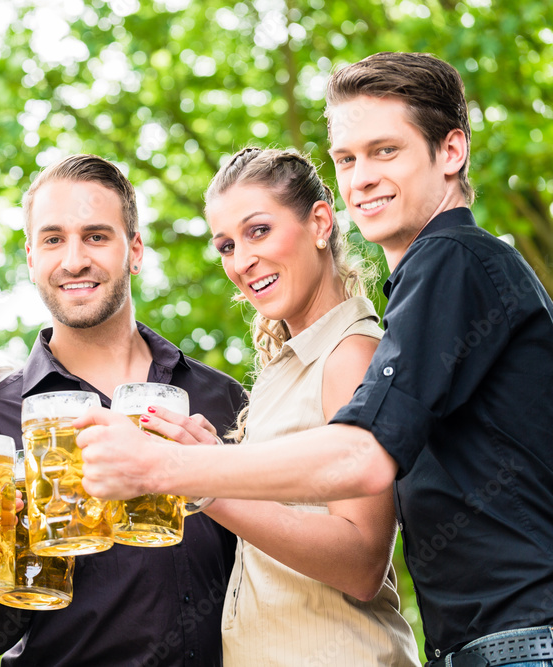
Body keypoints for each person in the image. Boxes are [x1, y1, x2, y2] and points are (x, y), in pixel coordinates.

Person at [76, 52, 553, 667]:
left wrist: (171, 469)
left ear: (451, 152)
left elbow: (363, 457)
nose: (361, 178)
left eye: (386, 151)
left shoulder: (451, 259)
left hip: (519, 642)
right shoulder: (429, 281)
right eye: (347, 159)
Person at [0, 154, 246, 667]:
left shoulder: (219, 399)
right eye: (52, 239)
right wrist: (14, 538)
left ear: (134, 251)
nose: (73, 260)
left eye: (95, 236)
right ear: (29, 256)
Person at [178, 146, 418, 664]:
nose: (241, 261)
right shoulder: (287, 367)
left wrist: (206, 486)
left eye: (259, 231)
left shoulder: (350, 355)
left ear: (320, 223)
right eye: (225, 245)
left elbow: (361, 562)